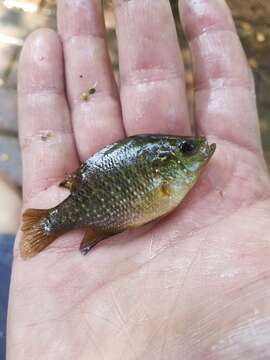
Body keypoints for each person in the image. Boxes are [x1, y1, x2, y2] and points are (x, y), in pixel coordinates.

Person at [6, 0, 270, 358]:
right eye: (187, 151)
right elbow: (154, 197)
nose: (200, 150)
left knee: (7, 230)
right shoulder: (164, 181)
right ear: (166, 164)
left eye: (189, 149)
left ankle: (8, 202)